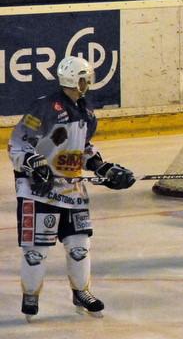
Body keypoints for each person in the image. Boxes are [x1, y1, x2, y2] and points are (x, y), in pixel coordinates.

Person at [8, 56, 136, 321]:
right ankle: (30, 295)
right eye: (85, 78)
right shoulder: (44, 107)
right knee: (36, 252)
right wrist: (34, 164)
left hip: (72, 189)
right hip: (38, 191)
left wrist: (103, 167)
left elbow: (83, 149)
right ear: (77, 80)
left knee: (79, 246)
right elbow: (18, 144)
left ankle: (81, 292)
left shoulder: (87, 112)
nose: (88, 83)